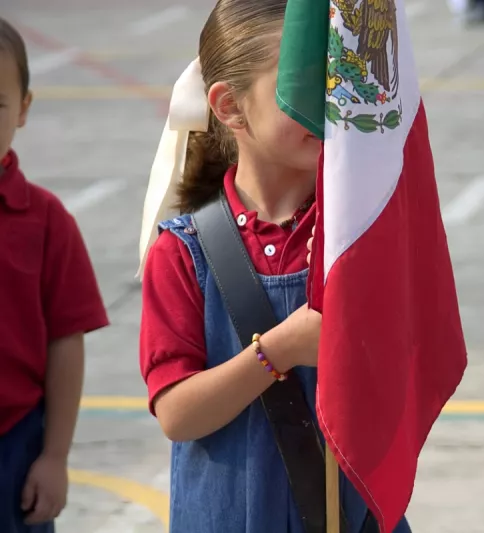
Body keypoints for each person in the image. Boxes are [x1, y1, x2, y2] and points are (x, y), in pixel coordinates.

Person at [137, 1, 412, 531]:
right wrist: (282, 348)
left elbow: (406, 376)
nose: (332, 101)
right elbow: (178, 414)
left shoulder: (356, 234)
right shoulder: (184, 251)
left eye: (338, 81)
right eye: (305, 82)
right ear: (230, 107)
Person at [0, 17, 110, 533]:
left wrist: (55, 456)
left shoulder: (45, 221)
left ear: (23, 109)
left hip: (14, 446)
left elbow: (67, 341)